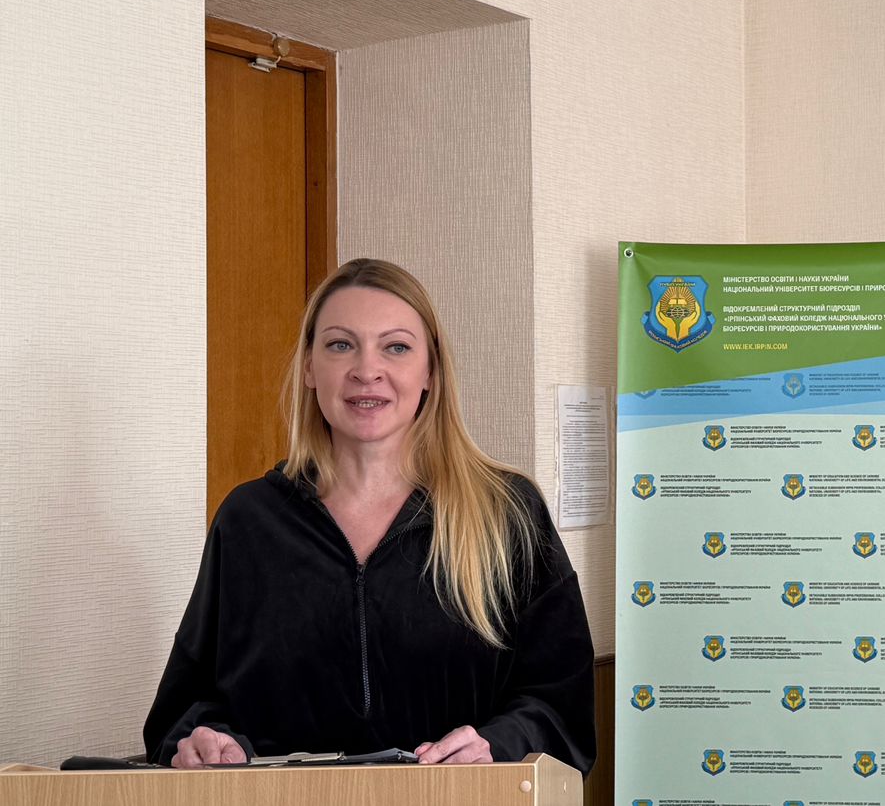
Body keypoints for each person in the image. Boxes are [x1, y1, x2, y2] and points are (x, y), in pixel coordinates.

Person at [143, 258, 595, 772]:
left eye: (396, 347)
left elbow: (563, 707)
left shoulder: (507, 512)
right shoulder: (249, 521)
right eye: (341, 345)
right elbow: (184, 708)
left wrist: (499, 744)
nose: (366, 369)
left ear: (430, 371)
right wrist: (201, 740)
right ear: (309, 367)